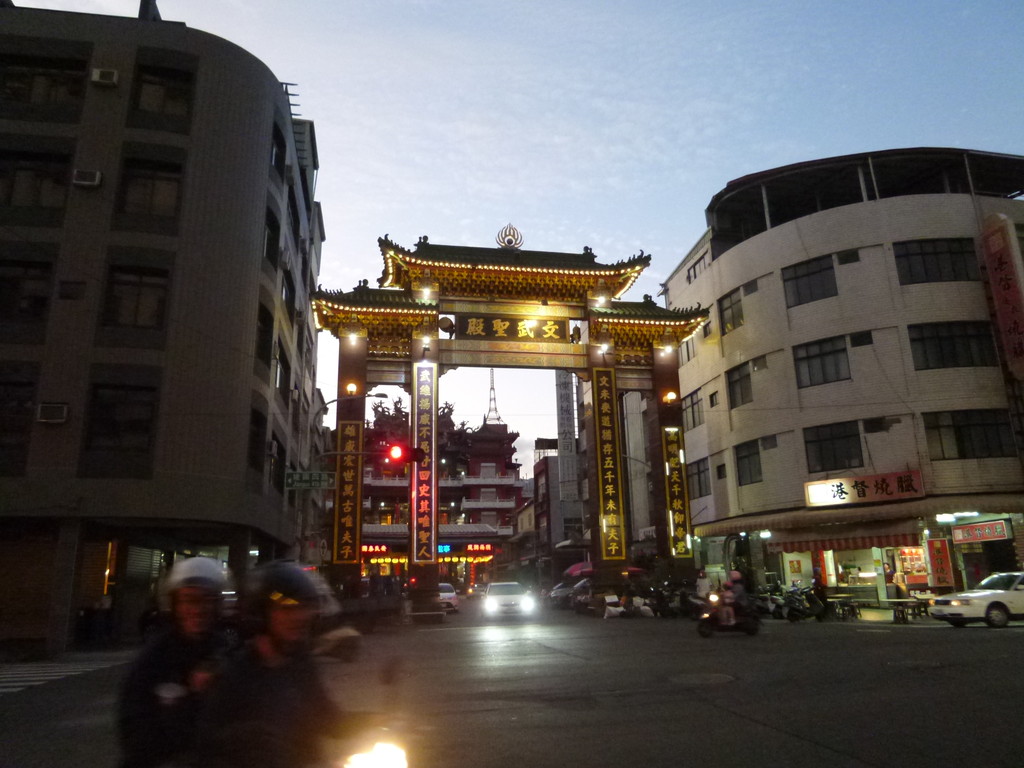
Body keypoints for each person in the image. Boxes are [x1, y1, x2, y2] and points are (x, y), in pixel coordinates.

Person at [195, 561, 372, 768]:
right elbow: (208, 748)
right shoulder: (234, 676)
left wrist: (376, 721)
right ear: (260, 613)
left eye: (304, 607)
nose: (300, 616)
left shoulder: (300, 664)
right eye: (287, 608)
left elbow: (328, 719)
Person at [118, 556, 230, 768]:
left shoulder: (225, 651)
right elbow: (136, 734)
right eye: (189, 600)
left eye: (207, 600)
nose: (198, 609)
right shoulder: (154, 659)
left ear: (217, 605)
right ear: (174, 604)